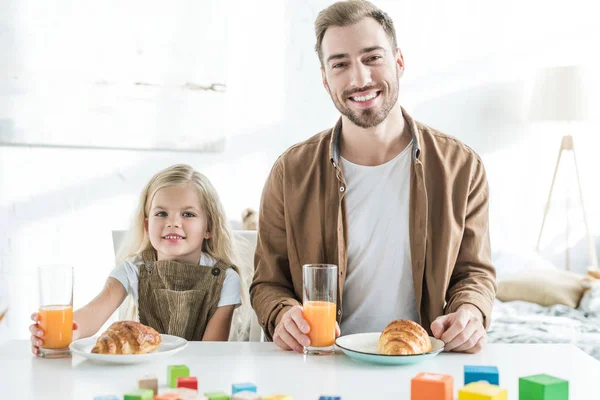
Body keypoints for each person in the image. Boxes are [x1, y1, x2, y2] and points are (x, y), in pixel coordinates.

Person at [250, 0, 496, 354]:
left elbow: (474, 274)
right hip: (324, 361)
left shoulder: (462, 167)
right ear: (324, 78)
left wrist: (470, 312)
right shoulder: (289, 171)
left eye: (372, 58)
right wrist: (282, 313)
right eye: (340, 64)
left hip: (423, 360)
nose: (359, 78)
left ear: (399, 61)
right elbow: (268, 283)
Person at [30, 164, 243, 355]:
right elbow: (92, 314)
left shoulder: (225, 278)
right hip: (144, 373)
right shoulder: (133, 269)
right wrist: (63, 332)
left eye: (187, 214)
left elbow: (212, 351)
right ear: (146, 225)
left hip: (199, 375)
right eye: (161, 214)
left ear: (209, 228)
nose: (173, 223)